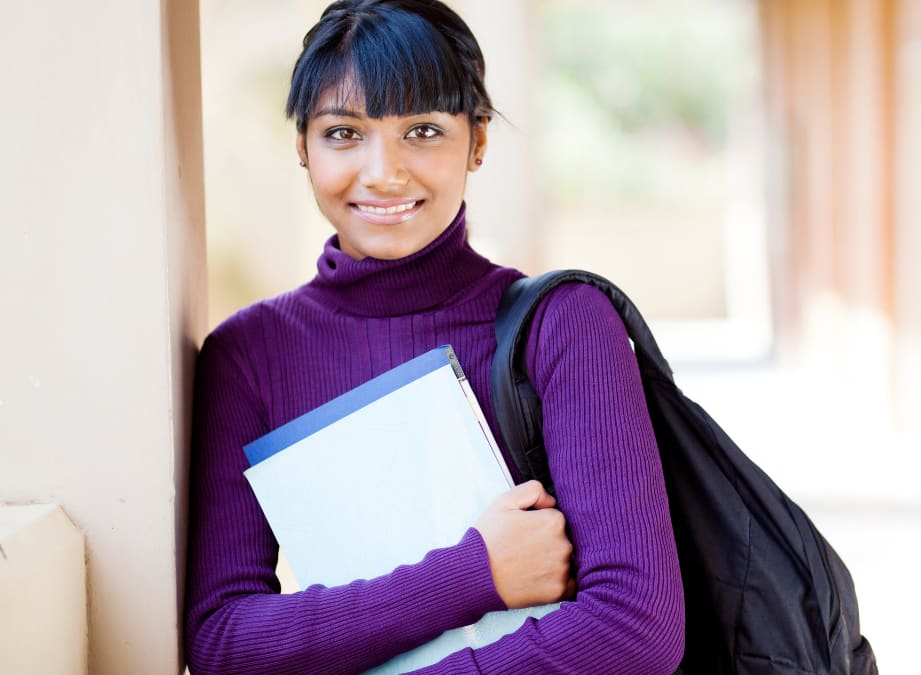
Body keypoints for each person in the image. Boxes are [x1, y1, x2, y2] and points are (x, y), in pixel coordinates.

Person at [184, 1, 685, 673]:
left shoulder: (563, 325)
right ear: (301, 145)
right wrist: (475, 571)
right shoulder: (248, 355)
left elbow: (636, 627)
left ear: (478, 141)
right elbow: (223, 640)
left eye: (422, 130)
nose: (384, 172)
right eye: (343, 133)